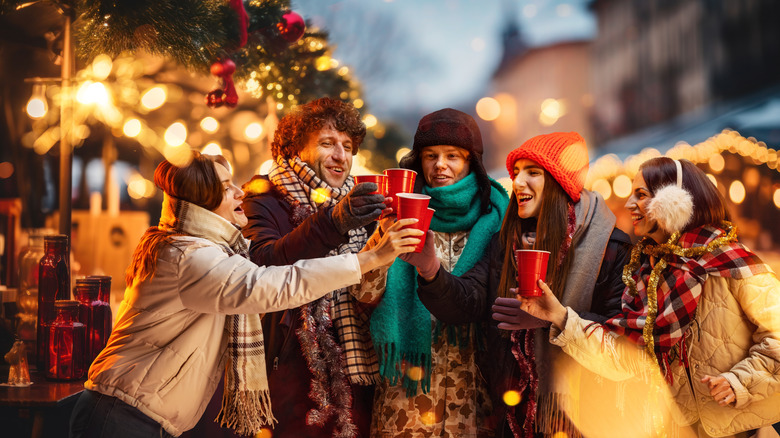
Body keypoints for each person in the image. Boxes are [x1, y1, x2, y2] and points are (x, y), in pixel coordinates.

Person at [69, 152, 421, 438]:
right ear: (202, 202)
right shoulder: (188, 256)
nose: (240, 193)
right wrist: (368, 260)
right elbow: (267, 285)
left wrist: (337, 221)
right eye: (226, 188)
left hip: (137, 414)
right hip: (122, 418)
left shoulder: (214, 249)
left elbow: (275, 258)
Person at [516, 157, 780, 438]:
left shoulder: (734, 264)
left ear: (675, 201)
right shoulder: (645, 273)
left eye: (641, 195)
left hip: (740, 431)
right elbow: (625, 358)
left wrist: (738, 381)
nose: (630, 204)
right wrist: (559, 316)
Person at [404, 132, 632, 437]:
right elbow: (469, 301)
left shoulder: (611, 247)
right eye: (517, 172)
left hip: (581, 416)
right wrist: (430, 270)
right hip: (513, 410)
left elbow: (624, 341)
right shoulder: (506, 241)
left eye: (533, 172)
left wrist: (553, 321)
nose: (518, 181)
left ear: (560, 184)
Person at [351, 108, 509, 437]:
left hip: (473, 396)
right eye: (430, 155)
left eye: (453, 156)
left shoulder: (498, 219)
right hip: (407, 397)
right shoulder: (398, 211)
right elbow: (363, 293)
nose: (440, 165)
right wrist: (383, 238)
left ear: (472, 162)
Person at [238, 97, 387, 438]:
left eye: (348, 147)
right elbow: (263, 262)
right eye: (327, 144)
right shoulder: (263, 197)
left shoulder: (360, 205)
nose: (341, 156)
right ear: (294, 149)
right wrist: (333, 222)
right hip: (291, 368)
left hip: (356, 368)